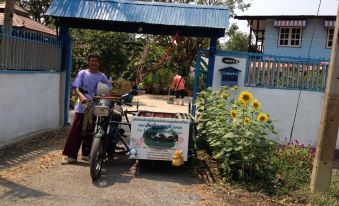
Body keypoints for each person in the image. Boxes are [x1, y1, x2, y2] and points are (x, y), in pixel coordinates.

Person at [61, 53, 111, 164]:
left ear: (99, 63)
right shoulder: (82, 73)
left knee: (90, 132)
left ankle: (86, 155)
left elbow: (108, 89)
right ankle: (71, 156)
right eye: (92, 60)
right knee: (75, 131)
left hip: (94, 107)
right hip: (82, 107)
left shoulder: (102, 76)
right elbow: (76, 88)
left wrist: (102, 96)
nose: (93, 63)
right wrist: (81, 96)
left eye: (96, 61)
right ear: (88, 62)